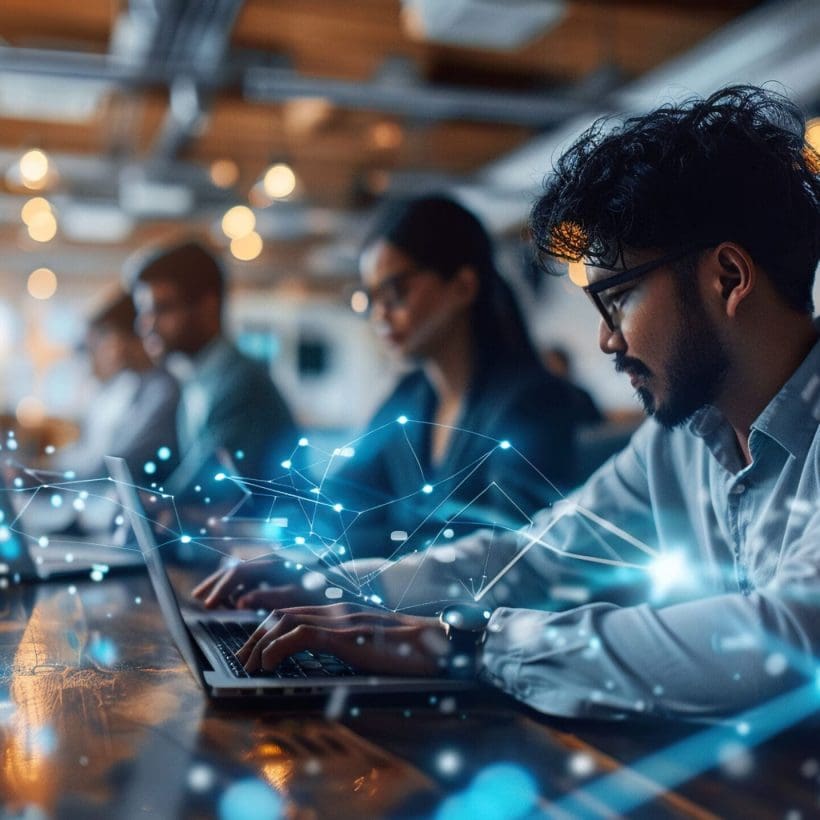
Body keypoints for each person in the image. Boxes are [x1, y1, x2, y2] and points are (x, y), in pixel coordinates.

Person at [193, 86, 820, 721]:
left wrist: (469, 643)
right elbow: (536, 556)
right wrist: (348, 588)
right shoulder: (677, 439)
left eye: (619, 297)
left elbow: (790, 639)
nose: (605, 338)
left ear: (729, 279)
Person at [270, 194, 577, 560]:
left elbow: (506, 549)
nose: (379, 314)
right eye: (371, 298)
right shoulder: (409, 396)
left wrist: (353, 549)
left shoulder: (535, 404)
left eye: (395, 292)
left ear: (463, 286)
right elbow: (343, 497)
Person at [128, 239, 296, 506]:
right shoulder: (201, 379)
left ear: (207, 306)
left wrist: (147, 505)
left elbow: (204, 493)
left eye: (162, 309)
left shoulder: (242, 384)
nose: (145, 324)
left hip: (264, 543)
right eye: (144, 312)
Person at [54, 291, 179, 481]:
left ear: (128, 337)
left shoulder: (162, 389)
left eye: (104, 338)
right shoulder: (133, 385)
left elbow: (118, 462)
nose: (101, 351)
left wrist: (47, 474)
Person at [542, 344, 604, 426]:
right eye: (547, 365)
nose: (550, 369)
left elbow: (597, 425)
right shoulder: (541, 399)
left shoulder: (581, 395)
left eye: (554, 364)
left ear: (565, 364)